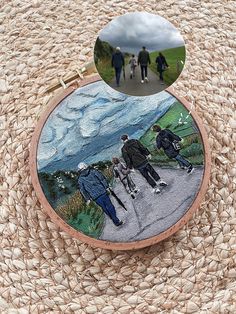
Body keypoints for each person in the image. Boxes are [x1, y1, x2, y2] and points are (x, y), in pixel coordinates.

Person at [77, 162, 123, 226]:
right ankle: (115, 220)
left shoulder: (80, 179)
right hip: (102, 192)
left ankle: (113, 219)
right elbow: (102, 178)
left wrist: (87, 199)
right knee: (110, 206)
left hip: (95, 197)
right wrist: (107, 186)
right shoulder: (93, 171)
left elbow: (83, 190)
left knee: (104, 208)